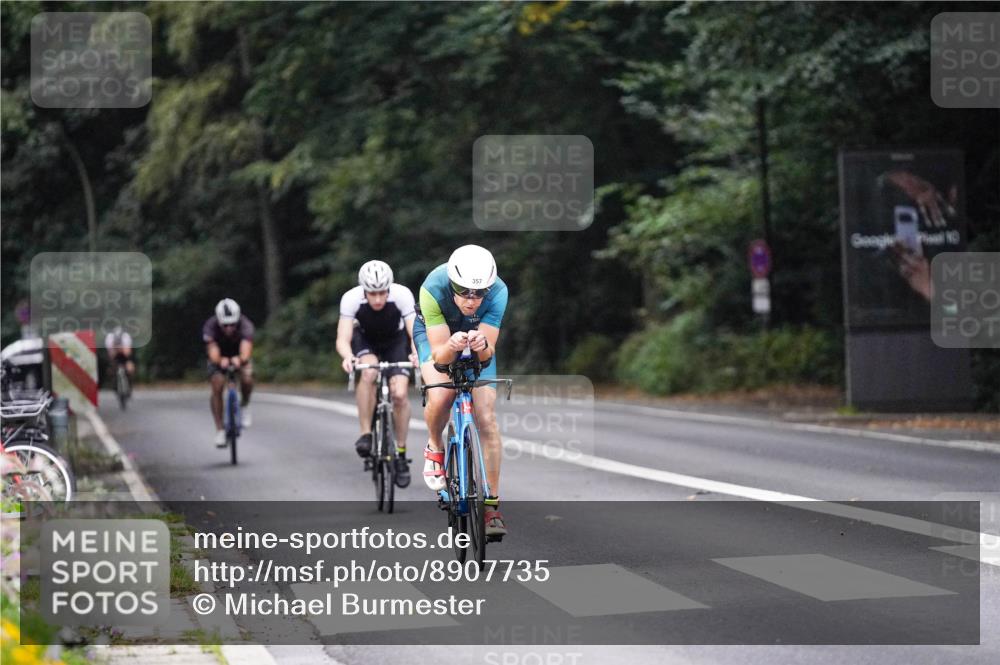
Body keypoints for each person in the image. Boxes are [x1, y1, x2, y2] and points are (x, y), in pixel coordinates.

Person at [413, 245, 509, 539]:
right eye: (464, 291)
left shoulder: (499, 292)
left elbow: (487, 355)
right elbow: (441, 358)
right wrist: (453, 346)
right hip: (438, 338)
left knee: (487, 418)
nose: (472, 300)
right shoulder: (432, 287)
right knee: (441, 394)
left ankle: (491, 506)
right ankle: (434, 447)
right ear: (452, 283)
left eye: (479, 293)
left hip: (475, 340)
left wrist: (480, 346)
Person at [336, 260, 418, 488]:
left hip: (395, 341)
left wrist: (416, 354)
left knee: (400, 394)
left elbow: (414, 333)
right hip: (366, 340)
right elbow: (343, 338)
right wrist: (348, 357)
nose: (379, 299)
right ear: (364, 290)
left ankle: (400, 454)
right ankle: (366, 433)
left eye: (383, 292)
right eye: (373, 293)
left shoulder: (402, 295)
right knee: (369, 372)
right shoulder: (351, 298)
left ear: (389, 288)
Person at [203, 298, 254, 447]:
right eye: (225, 325)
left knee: (247, 379)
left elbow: (246, 350)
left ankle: (245, 404)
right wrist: (220, 361)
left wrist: (241, 359)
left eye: (233, 324)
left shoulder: (246, 325)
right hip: (219, 356)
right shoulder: (210, 326)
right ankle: (219, 430)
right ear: (218, 321)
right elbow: (212, 351)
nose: (229, 328)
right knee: (217, 385)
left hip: (239, 354)